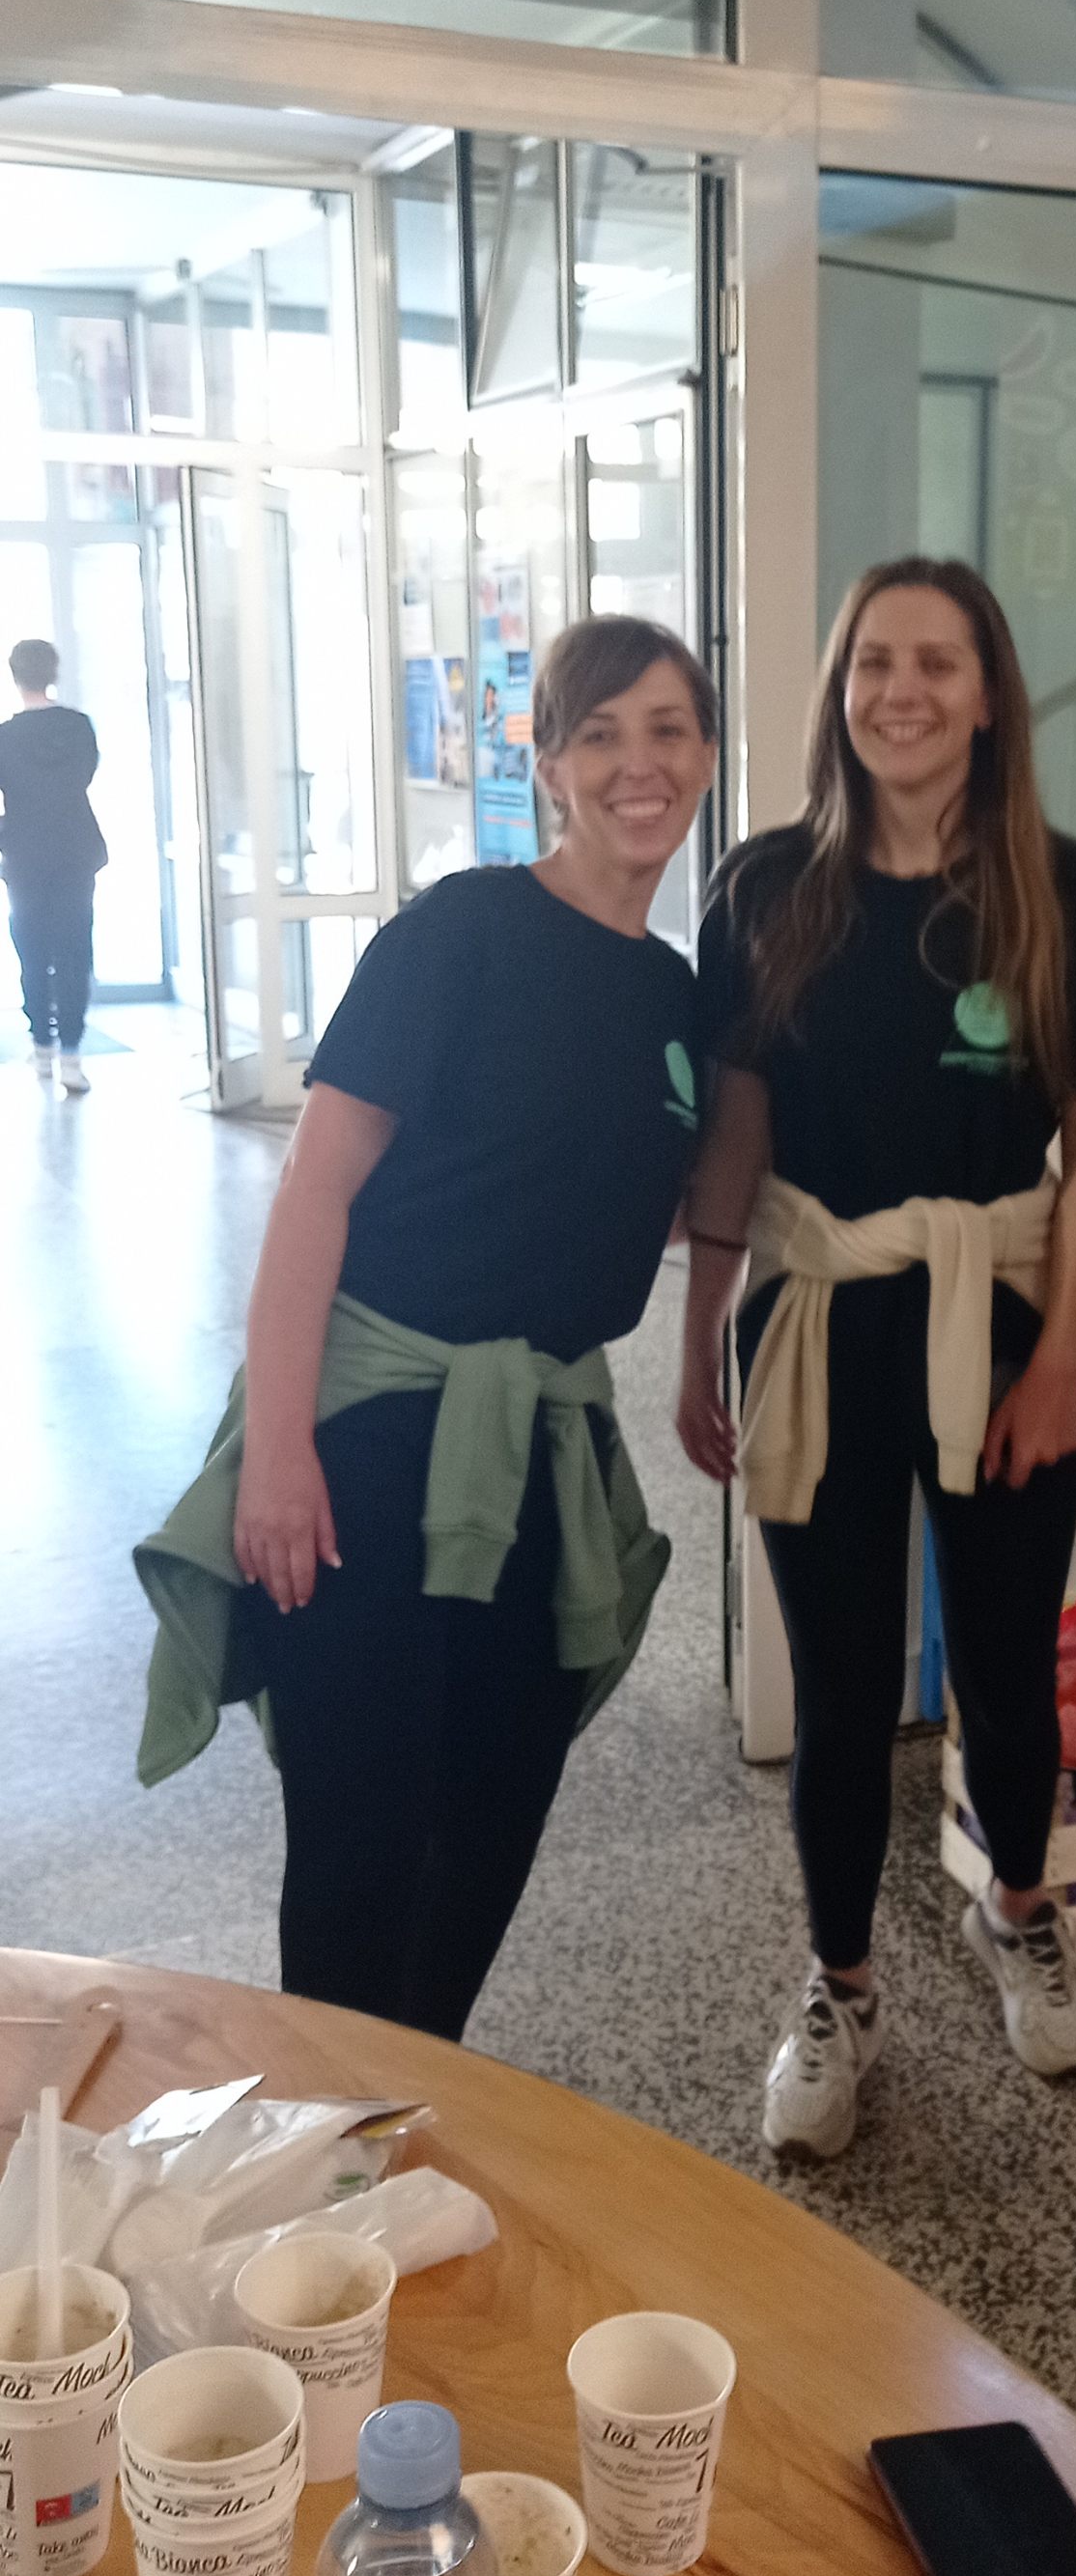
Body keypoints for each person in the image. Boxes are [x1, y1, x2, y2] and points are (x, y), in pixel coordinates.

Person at [135, 615, 718, 2038]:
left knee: (496, 1806)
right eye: (600, 734)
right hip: (376, 1439)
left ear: (707, 756)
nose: (639, 764)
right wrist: (281, 1453)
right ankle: (336, 2131)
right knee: (363, 1829)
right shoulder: (461, 932)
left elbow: (643, 1200)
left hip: (542, 1448)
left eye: (669, 730)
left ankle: (416, 2085)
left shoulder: (673, 995)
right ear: (549, 765)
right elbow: (315, 1190)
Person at [678, 555, 1076, 2163]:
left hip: (1003, 1316)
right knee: (836, 1688)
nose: (902, 691)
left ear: (989, 694)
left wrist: (1060, 1360)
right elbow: (736, 1128)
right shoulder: (767, 886)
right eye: (873, 661)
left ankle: (1018, 1908)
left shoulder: (1066, 891)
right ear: (838, 690)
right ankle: (840, 1985)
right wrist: (701, 1329)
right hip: (819, 1313)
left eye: (937, 663)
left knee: (1005, 1664)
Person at [0, 637, 107, 1095]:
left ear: (14, 675)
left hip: (25, 856)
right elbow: (85, 776)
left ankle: (42, 1045)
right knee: (74, 951)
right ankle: (72, 1056)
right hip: (75, 852)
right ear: (54, 672)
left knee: (32, 951)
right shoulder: (79, 728)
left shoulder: (4, 737)